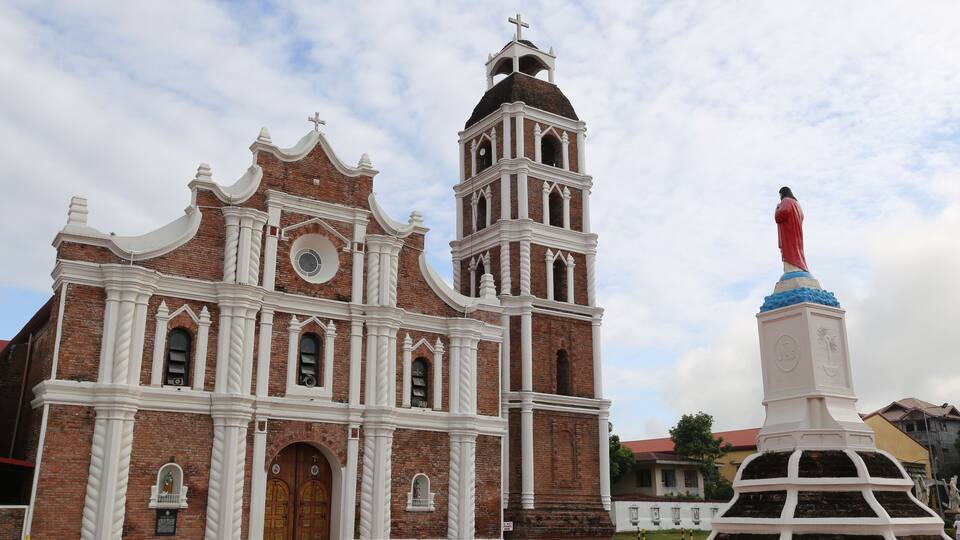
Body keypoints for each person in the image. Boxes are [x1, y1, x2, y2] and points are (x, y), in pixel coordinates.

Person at [775, 186, 808, 272]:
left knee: (791, 252)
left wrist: (777, 208)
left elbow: (780, 215)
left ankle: (793, 269)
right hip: (797, 234)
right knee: (798, 251)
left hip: (788, 233)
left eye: (780, 195)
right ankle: (801, 267)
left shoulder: (786, 201)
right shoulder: (797, 204)